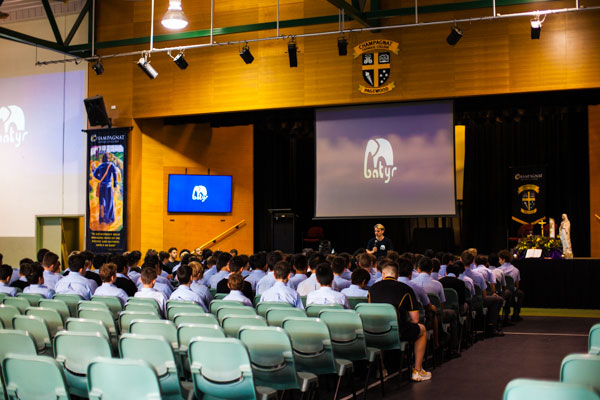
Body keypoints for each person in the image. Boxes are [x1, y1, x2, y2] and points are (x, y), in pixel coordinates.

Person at [368, 262, 431, 382]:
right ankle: (417, 370)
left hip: (375, 330)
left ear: (383, 274)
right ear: (397, 276)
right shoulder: (406, 289)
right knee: (421, 329)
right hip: (397, 332)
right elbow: (415, 319)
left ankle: (380, 369)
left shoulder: (372, 289)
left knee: (379, 331)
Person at [498, 250, 524, 322]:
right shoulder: (516, 270)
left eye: (499, 259)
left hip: (502, 292)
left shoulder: (498, 270)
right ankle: (516, 314)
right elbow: (517, 285)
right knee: (520, 293)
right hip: (512, 291)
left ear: (503, 259)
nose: (499, 261)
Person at [93, 152, 119, 226]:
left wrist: (100, 178)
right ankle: (109, 219)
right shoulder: (111, 165)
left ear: (103, 159)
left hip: (101, 187)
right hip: (108, 187)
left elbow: (94, 174)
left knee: (102, 203)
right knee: (109, 203)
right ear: (108, 159)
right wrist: (115, 185)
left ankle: (101, 219)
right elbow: (115, 175)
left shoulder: (100, 166)